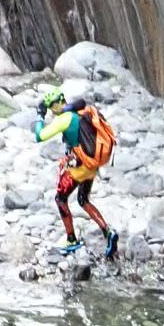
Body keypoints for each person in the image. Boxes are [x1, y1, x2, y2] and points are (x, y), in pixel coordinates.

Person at [33, 86, 119, 259]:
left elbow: (39, 136)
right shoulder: (80, 111)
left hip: (81, 166)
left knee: (60, 198)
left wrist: (40, 116)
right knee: (83, 199)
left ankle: (71, 239)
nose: (52, 111)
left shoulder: (64, 118)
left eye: (52, 107)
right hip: (92, 163)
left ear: (58, 103)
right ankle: (108, 233)